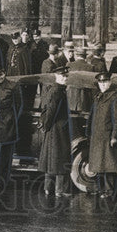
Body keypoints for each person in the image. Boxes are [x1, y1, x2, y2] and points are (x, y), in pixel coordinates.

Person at [87, 71, 117, 197]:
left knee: (108, 165)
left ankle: (109, 190)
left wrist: (114, 136)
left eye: (105, 82)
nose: (103, 85)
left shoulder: (115, 98)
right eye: (100, 82)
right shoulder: (98, 97)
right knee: (98, 165)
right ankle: (100, 189)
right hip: (97, 136)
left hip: (107, 136)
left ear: (110, 82)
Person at [37, 62, 72, 198]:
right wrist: (46, 125)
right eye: (63, 76)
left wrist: (46, 127)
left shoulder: (55, 89)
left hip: (53, 129)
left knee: (51, 159)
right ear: (57, 76)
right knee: (61, 159)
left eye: (66, 75)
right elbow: (51, 111)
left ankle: (48, 188)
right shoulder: (58, 91)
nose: (65, 78)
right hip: (58, 130)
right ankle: (60, 190)